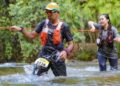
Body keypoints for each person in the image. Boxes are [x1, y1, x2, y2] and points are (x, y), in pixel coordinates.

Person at [10, 2, 73, 76]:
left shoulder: (64, 26)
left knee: (61, 80)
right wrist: (20, 29)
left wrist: (66, 51)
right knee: (36, 78)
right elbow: (31, 35)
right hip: (44, 55)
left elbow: (71, 43)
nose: (48, 14)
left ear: (57, 13)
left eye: (50, 12)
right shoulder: (43, 23)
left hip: (57, 56)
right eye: (47, 12)